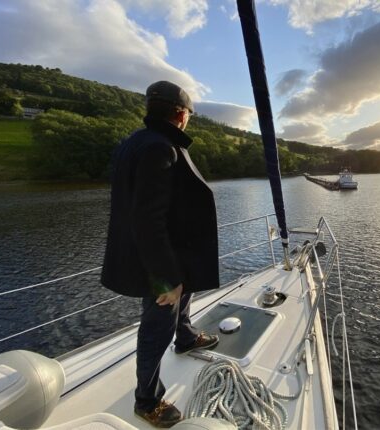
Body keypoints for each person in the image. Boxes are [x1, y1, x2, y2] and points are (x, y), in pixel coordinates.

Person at [101, 80, 220, 428]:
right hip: (156, 260)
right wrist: (166, 278)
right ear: (181, 114)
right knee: (156, 326)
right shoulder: (159, 148)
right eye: (189, 115)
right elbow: (147, 220)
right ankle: (147, 400)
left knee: (177, 311)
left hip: (170, 252)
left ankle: (185, 337)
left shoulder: (136, 143)